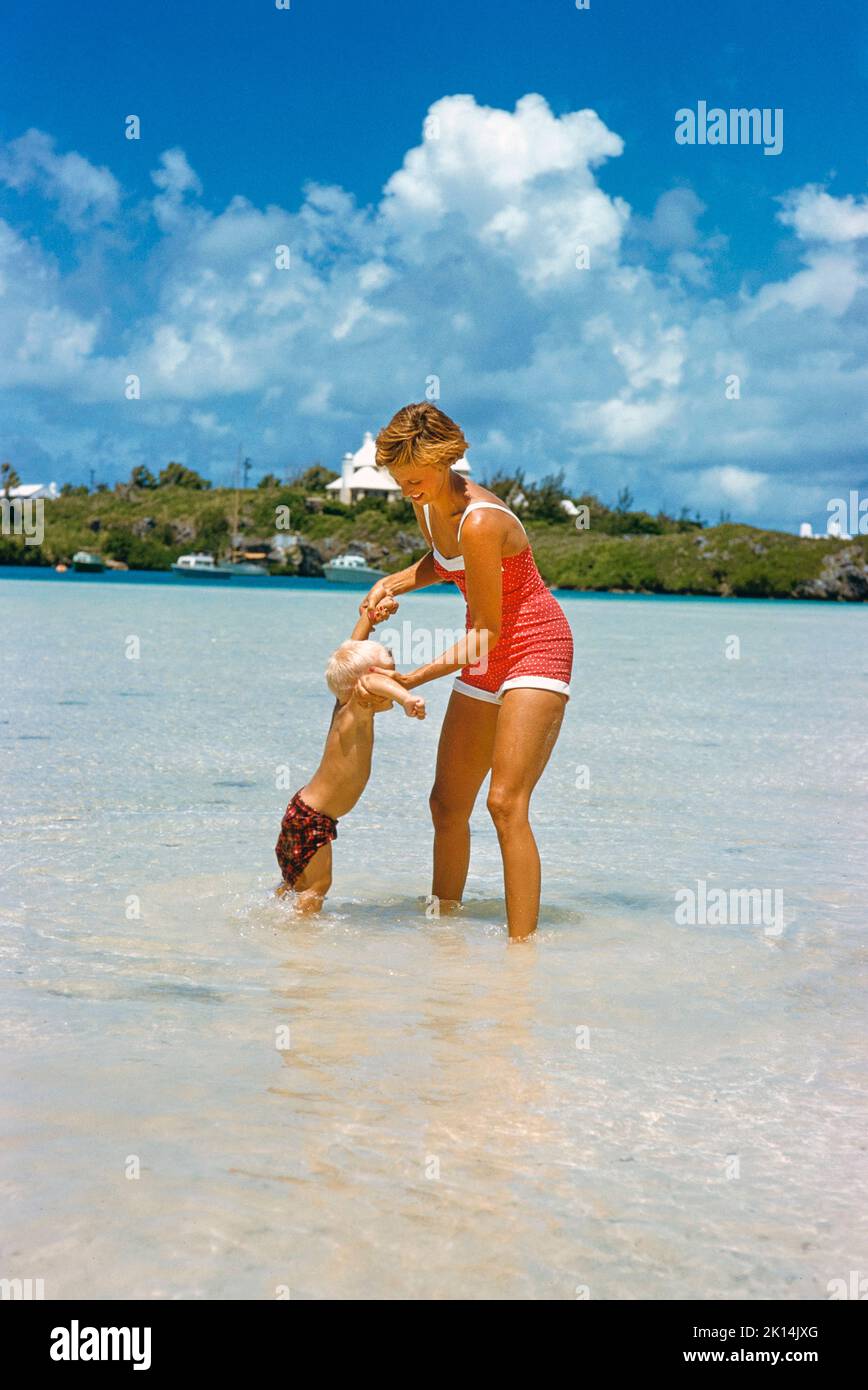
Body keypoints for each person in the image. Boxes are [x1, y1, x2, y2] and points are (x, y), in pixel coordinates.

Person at [359, 402, 573, 940]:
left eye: (415, 478)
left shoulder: (481, 520)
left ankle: (521, 954)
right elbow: (444, 562)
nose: (408, 489)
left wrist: (411, 678)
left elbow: (486, 633)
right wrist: (396, 581)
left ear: (445, 461)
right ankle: (443, 933)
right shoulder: (427, 503)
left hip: (534, 646)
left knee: (505, 803)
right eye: (399, 480)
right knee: (447, 803)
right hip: (488, 648)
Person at [275, 597, 426, 912]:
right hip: (312, 818)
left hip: (304, 812)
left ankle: (272, 919)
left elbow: (353, 647)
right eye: (391, 675)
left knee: (296, 884)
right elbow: (371, 679)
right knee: (316, 888)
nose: (395, 678)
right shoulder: (359, 702)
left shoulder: (345, 704)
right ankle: (301, 946)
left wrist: (370, 619)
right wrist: (406, 698)